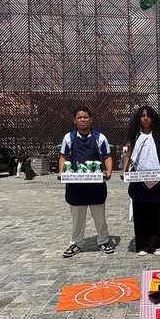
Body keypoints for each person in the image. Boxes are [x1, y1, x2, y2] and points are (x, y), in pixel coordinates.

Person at [60, 106, 115, 258]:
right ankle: (76, 243)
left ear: (90, 119)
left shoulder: (100, 138)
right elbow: (63, 157)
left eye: (85, 117)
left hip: (96, 186)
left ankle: (103, 241)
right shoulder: (68, 138)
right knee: (77, 218)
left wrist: (109, 171)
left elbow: (107, 156)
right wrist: (61, 172)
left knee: (100, 216)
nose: (83, 120)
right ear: (74, 120)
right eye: (79, 117)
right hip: (75, 186)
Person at [124, 105, 160, 256]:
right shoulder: (134, 135)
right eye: (143, 116)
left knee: (156, 212)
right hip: (138, 179)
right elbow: (128, 155)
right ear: (139, 118)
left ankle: (157, 244)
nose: (145, 118)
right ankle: (143, 245)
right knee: (140, 213)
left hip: (157, 179)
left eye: (148, 116)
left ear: (153, 118)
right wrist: (125, 170)